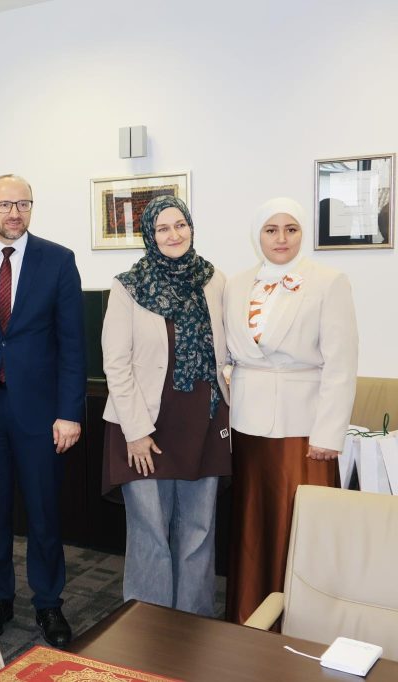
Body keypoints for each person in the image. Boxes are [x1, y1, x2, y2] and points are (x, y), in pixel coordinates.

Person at [0, 174, 86, 647]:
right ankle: (0, 596)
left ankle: (48, 602)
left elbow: (73, 344)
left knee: (43, 512)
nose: (14, 213)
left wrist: (70, 412)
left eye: (23, 203)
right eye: (4, 204)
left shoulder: (58, 260)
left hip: (41, 413)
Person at [224, 197, 358, 624]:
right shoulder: (235, 284)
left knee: (300, 524)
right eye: (271, 230)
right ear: (257, 235)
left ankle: (303, 622)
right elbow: (227, 351)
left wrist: (329, 434)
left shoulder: (329, 282)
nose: (281, 238)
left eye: (291, 229)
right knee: (252, 523)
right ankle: (249, 614)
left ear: (302, 232)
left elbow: (341, 364)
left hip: (305, 428)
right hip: (247, 424)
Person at [100, 195, 230, 618]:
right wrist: (136, 431)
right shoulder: (128, 286)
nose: (174, 235)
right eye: (162, 228)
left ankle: (194, 622)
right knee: (150, 533)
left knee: (199, 531)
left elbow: (228, 346)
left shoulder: (214, 280)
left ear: (191, 227)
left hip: (204, 419)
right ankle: (148, 625)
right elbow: (115, 363)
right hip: (144, 425)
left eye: (180, 225)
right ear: (149, 235)